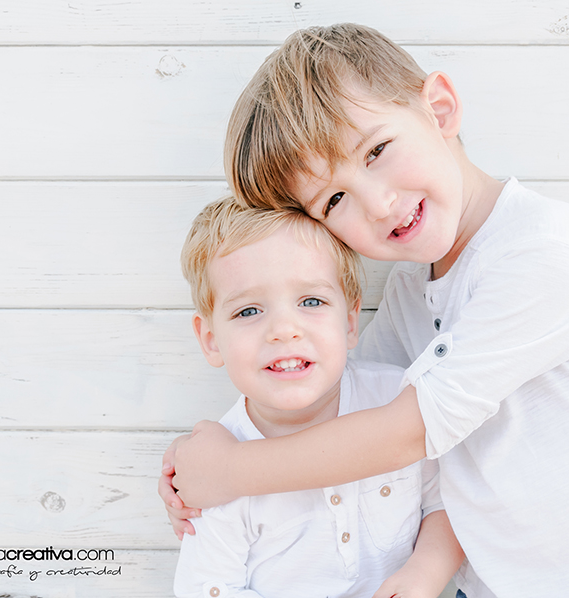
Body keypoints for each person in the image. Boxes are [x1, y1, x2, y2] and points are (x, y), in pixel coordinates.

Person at [160, 24, 569, 597]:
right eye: (335, 199)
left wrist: (229, 472)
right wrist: (192, 461)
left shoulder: (544, 252)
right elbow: (345, 406)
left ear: (439, 109)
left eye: (376, 151)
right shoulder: (411, 288)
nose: (378, 203)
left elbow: (403, 433)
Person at [171, 196, 464, 598]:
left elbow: (448, 501)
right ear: (210, 340)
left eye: (311, 302)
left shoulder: (397, 401)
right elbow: (207, 587)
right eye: (249, 311)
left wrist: (423, 574)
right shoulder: (211, 471)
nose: (284, 330)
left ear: (350, 321)